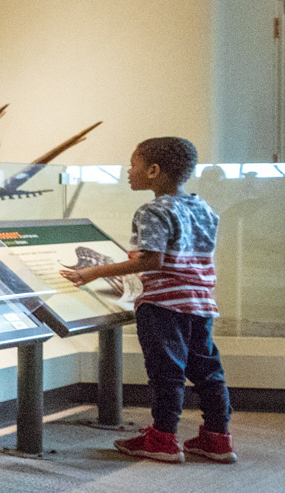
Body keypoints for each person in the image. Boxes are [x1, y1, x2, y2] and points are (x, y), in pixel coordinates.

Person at [64, 136, 234, 463]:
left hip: (163, 305)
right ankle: (218, 438)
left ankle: (162, 439)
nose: (129, 172)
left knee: (166, 373)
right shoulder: (204, 208)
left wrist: (94, 272)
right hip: (200, 304)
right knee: (207, 370)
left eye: (134, 165)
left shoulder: (152, 211)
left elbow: (152, 261)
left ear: (154, 170)